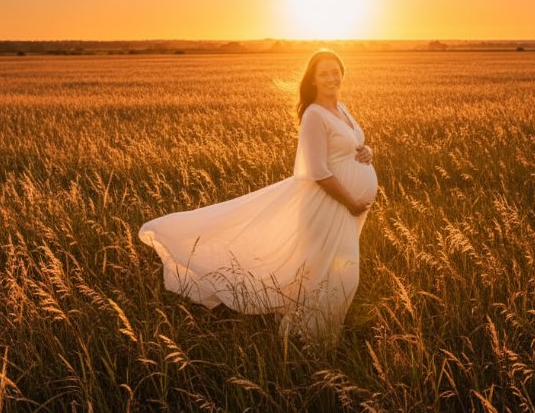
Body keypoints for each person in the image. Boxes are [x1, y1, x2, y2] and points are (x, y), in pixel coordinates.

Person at [138, 49, 377, 341]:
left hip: (345, 208)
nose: (330, 78)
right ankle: (311, 339)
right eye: (323, 73)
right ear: (313, 80)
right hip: (329, 206)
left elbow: (352, 145)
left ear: (342, 72)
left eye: (334, 71)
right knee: (337, 273)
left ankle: (314, 333)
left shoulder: (342, 109)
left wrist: (367, 151)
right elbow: (317, 171)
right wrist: (352, 202)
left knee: (331, 271)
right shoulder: (314, 115)